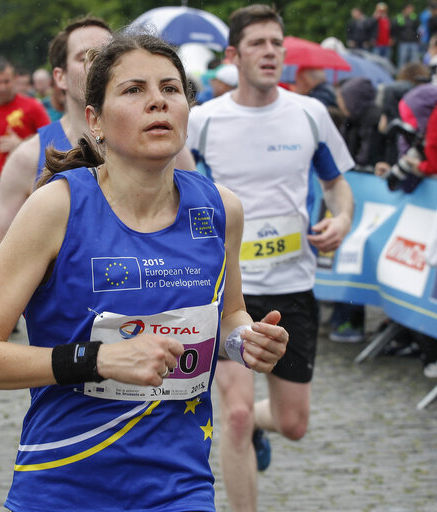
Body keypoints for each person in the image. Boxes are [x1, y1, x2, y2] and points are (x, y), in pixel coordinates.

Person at [0, 33, 289, 511]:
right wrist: (97, 360)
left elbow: (230, 314)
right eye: (134, 90)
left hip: (181, 487)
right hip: (63, 485)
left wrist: (245, 342)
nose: (158, 101)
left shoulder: (220, 209)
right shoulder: (57, 206)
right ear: (96, 120)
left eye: (171, 89)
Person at [186, 5, 355, 511]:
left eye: (276, 44)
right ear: (234, 55)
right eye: (258, 43)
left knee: (293, 424)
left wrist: (341, 219)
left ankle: (264, 428)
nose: (270, 53)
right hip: (229, 286)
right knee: (234, 416)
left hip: (293, 285)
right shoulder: (201, 122)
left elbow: (337, 186)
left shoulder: (309, 113)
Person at [0, 16, 198, 272]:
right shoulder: (30, 155)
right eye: (85, 56)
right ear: (59, 76)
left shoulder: (162, 148)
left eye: (108, 53)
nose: (99, 61)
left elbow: (193, 224)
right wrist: (57, 268)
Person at [0, 57, 50, 219]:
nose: (2, 87)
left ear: (15, 80)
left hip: (23, 180)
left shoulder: (33, 107)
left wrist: (22, 144)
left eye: (6, 82)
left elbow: (52, 141)